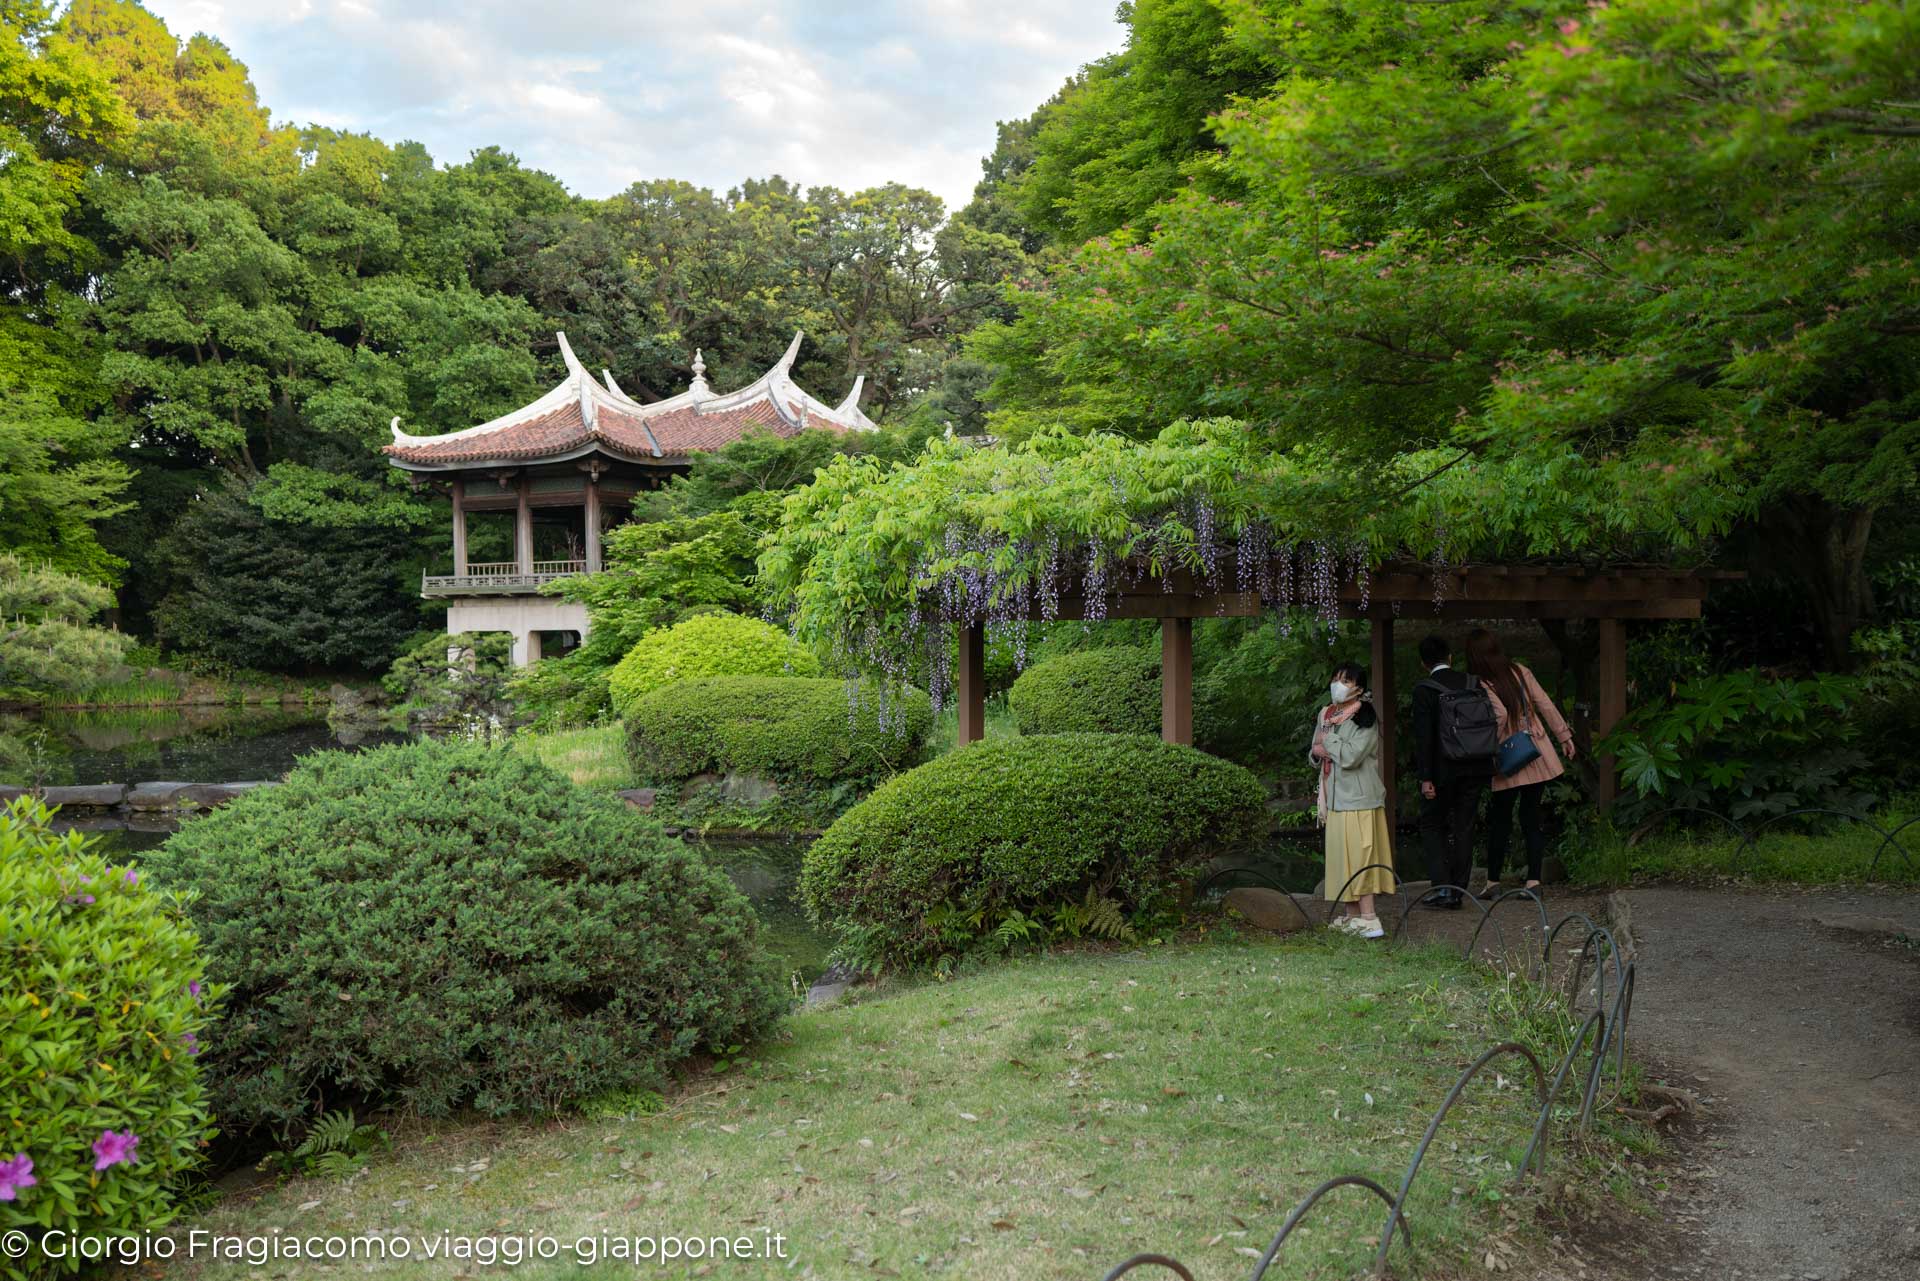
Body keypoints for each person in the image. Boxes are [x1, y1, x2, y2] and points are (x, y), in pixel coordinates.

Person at [1465, 628, 1577, 895]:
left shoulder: (1482, 682)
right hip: (1534, 749)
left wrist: (1483, 742)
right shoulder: (1520, 671)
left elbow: (1500, 716)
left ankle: (1493, 882)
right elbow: (1545, 703)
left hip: (1508, 756)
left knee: (1500, 820)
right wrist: (1563, 736)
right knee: (1531, 817)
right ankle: (1534, 881)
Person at [1410, 634, 1501, 909]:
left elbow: (1424, 737)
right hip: (1476, 765)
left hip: (1442, 770)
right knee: (1464, 826)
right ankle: (1459, 890)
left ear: (1423, 663)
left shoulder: (1425, 689)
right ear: (1450, 657)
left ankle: (1443, 889)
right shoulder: (1472, 682)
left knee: (1432, 824)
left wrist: (1425, 777)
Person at [1310, 661, 1393, 939]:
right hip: (1333, 798)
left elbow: (1351, 756)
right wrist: (1320, 749)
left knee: (1360, 856)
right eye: (1336, 679)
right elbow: (1315, 749)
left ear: (1359, 688)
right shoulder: (1327, 713)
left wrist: (1328, 744)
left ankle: (1370, 918)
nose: (1339, 685)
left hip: (1359, 799)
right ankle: (1352, 915)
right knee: (1340, 858)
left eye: (1346, 681)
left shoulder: (1365, 718)